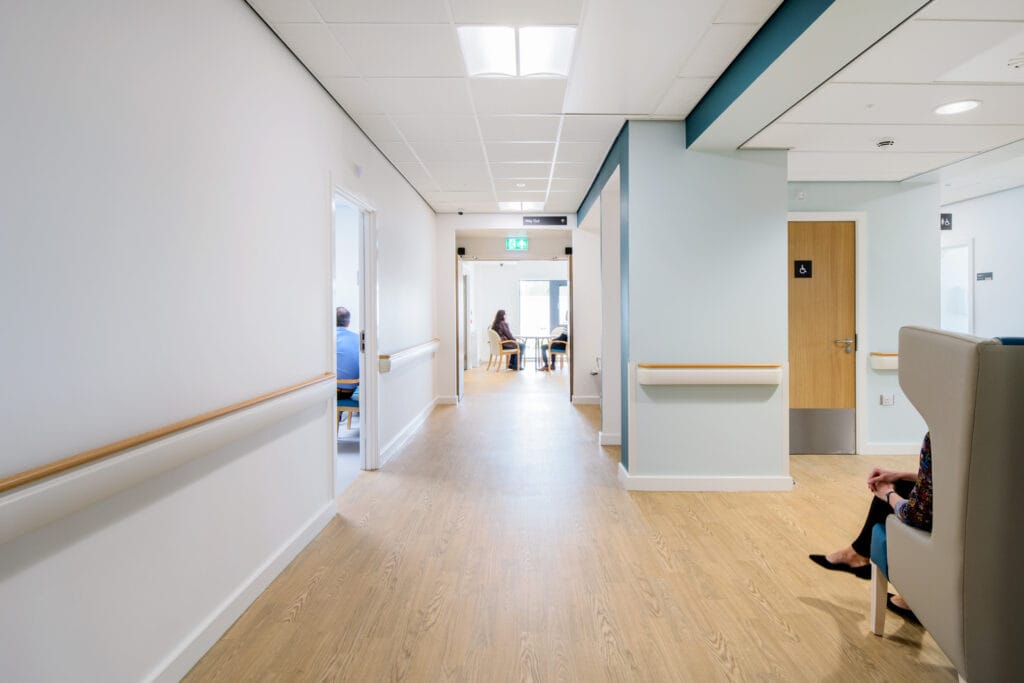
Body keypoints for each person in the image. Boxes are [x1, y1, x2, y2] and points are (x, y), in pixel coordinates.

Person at [809, 433, 933, 620]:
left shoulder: (937, 437)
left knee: (890, 492)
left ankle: (915, 597)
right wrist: (900, 475)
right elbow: (942, 480)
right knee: (900, 484)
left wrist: (888, 493)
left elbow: (915, 515)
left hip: (945, 527)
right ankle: (857, 553)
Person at [336, 307, 359, 398]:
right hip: (350, 390)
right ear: (348, 323)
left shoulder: (327, 339)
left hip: (332, 392)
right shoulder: (358, 338)